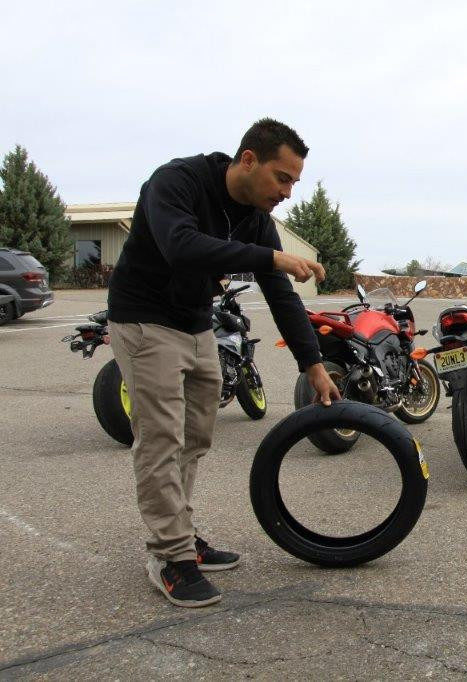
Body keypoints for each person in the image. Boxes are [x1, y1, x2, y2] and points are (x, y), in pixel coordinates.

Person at [107, 118, 342, 608]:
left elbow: (281, 294)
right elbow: (181, 246)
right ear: (249, 159)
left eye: (295, 182)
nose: (288, 192)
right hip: (145, 321)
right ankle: (170, 556)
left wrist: (312, 364)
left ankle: (182, 534)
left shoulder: (255, 216)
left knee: (196, 436)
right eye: (283, 178)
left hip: (196, 325)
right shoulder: (177, 182)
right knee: (160, 438)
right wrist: (272, 258)